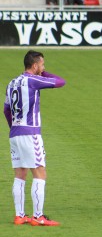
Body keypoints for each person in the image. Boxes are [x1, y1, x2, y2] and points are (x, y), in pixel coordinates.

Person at [3, 50, 66, 226]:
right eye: (42, 64)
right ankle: (38, 217)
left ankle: (19, 215)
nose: (44, 67)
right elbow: (61, 82)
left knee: (20, 174)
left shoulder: (12, 82)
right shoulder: (32, 80)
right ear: (35, 65)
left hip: (15, 134)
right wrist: (43, 73)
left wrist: (14, 128)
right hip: (30, 133)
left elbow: (6, 110)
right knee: (40, 173)